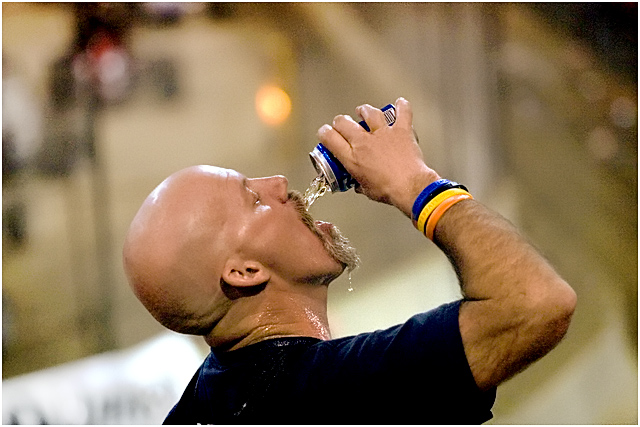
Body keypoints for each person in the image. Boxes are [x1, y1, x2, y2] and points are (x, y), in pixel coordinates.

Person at [122, 98, 576, 424]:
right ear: (243, 272)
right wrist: (416, 183)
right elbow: (536, 303)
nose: (279, 183)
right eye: (254, 199)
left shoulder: (200, 407)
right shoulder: (335, 394)